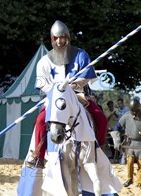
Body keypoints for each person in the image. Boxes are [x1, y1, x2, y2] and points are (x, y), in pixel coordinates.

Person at [26, 20, 108, 169]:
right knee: (40, 121)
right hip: (55, 99)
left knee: (100, 118)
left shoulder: (81, 55)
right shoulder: (44, 61)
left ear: (67, 37)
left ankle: (99, 149)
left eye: (62, 37)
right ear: (52, 39)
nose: (59, 41)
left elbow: (87, 76)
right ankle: (38, 156)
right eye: (56, 38)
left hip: (78, 96)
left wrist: (74, 86)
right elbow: (42, 83)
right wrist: (56, 91)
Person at [110, 99, 141, 188]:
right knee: (129, 161)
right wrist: (116, 141)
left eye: (135, 111)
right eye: (132, 111)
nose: (134, 113)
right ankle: (129, 179)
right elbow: (116, 128)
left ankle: (139, 183)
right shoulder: (126, 116)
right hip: (130, 143)